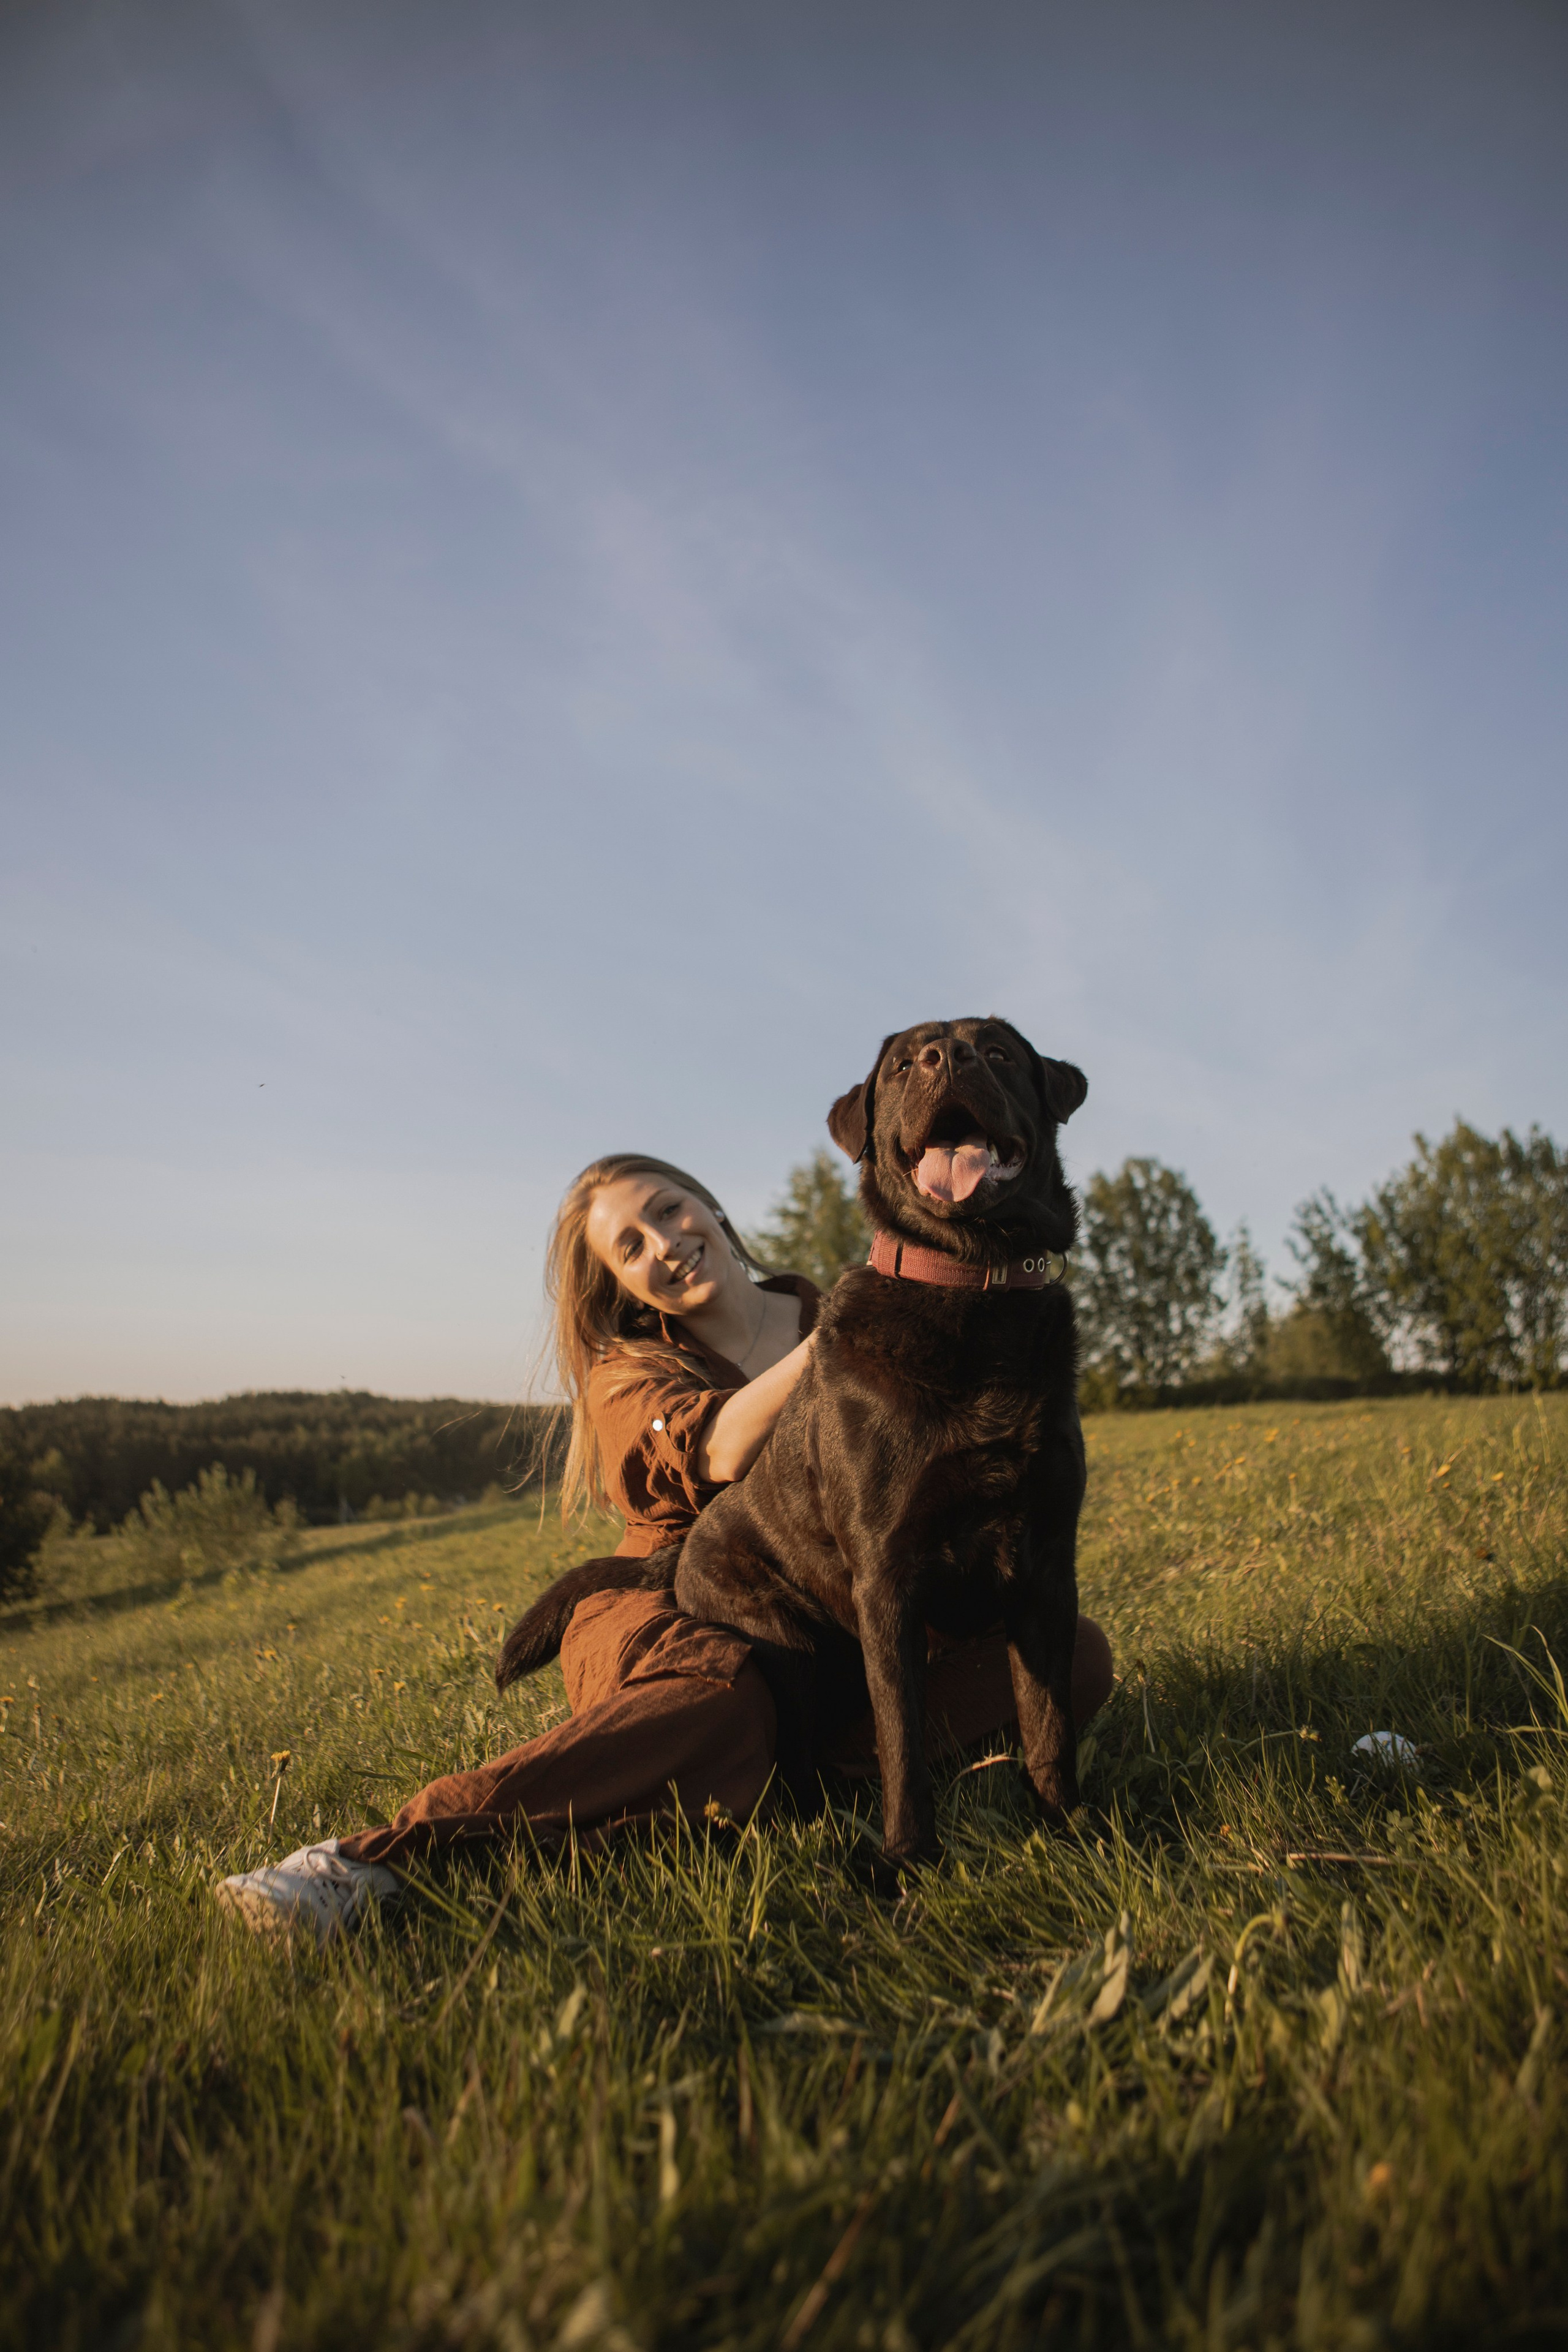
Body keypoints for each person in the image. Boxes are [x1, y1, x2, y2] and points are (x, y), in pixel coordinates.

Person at [216, 1155, 1114, 1942]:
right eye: (631, 1246)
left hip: (841, 1609)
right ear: (620, 1286)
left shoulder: (820, 1304)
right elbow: (718, 1448)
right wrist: (850, 1331)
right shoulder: (634, 1370)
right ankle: (372, 1863)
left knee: (1071, 1658)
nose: (666, 1243)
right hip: (673, 1596)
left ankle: (785, 1783)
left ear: (709, 1205)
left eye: (669, 1209)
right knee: (725, 1700)